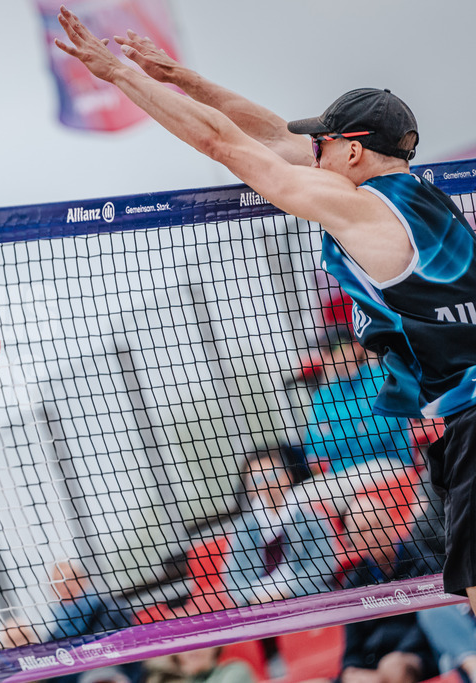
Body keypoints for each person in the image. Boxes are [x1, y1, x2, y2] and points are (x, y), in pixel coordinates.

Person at [55, 6, 476, 612]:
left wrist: (117, 75)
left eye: (324, 142)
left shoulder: (358, 206)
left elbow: (223, 142)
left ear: (353, 150)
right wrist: (179, 75)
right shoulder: (419, 194)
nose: (311, 150)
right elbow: (271, 132)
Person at [338, 493, 440, 682]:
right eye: (362, 531)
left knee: (393, 667)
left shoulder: (422, 560)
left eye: (376, 524)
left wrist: (394, 659)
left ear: (390, 522)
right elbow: (351, 647)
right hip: (371, 666)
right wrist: (351, 670)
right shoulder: (353, 583)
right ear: (355, 542)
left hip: (415, 655)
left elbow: (432, 621)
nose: (372, 535)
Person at [223, 448, 337, 606]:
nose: (267, 483)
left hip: (307, 601)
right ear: (249, 489)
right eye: (257, 480)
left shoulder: (312, 520)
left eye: (272, 475)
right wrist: (257, 597)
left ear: (287, 477)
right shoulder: (242, 530)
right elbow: (234, 581)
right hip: (260, 607)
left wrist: (285, 592)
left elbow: (323, 567)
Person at [300, 320, 412, 475]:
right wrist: (358, 427)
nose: (333, 355)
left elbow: (380, 435)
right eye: (327, 351)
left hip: (389, 465)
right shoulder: (323, 397)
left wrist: (338, 433)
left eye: (336, 346)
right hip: (342, 476)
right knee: (298, 497)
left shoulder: (382, 378)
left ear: (356, 346)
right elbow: (316, 448)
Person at [143, 646, 255, 683]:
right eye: (185, 646)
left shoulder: (236, 670)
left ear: (214, 648)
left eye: (200, 644)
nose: (193, 651)